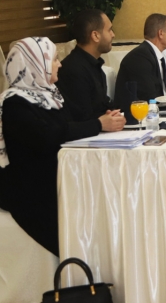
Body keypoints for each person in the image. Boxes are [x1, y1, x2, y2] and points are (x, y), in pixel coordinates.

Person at [0, 37, 125, 256]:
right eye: (54, 59)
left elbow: (76, 119)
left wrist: (104, 118)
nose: (59, 64)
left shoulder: (49, 93)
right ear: (35, 64)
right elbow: (48, 136)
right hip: (32, 187)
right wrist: (98, 124)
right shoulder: (14, 103)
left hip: (60, 173)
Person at [56, 9, 116, 122]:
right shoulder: (73, 70)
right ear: (95, 35)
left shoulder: (94, 64)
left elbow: (102, 106)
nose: (113, 35)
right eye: (109, 30)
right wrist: (102, 122)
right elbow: (82, 118)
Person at [114, 14, 166, 124]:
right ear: (161, 33)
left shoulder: (151, 54)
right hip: (137, 119)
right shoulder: (140, 57)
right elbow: (148, 96)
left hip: (155, 112)